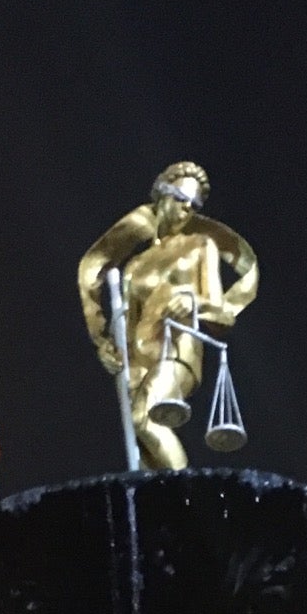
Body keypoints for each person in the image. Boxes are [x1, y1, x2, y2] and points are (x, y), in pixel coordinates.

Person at [78, 163, 258, 472]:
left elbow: (221, 313)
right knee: (144, 452)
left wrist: (191, 302)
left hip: (178, 350)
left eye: (194, 204)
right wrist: (107, 346)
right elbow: (128, 323)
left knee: (144, 417)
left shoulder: (200, 246)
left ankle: (187, 496)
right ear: (161, 196)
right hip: (139, 363)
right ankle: (159, 508)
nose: (187, 208)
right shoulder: (134, 266)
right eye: (179, 198)